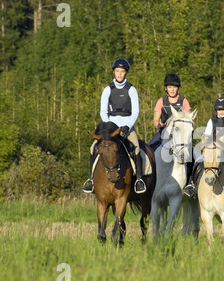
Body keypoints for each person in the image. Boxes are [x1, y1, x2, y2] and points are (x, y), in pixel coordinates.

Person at [82, 58, 147, 194]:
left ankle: (139, 180)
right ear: (114, 72)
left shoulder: (131, 90)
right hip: (110, 127)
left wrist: (127, 126)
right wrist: (109, 126)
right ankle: (91, 180)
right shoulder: (107, 90)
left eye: (122, 72)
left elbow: (135, 112)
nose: (119, 74)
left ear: (125, 73)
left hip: (126, 126)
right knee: (93, 148)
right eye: (117, 71)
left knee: (135, 147)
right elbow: (103, 111)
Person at [149, 73, 191, 151]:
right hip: (165, 132)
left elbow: (189, 119)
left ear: (178, 88)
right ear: (166, 88)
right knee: (150, 147)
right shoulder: (161, 101)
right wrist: (160, 127)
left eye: (174, 87)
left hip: (180, 133)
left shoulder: (183, 101)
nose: (172, 90)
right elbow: (155, 120)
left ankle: (197, 163)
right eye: (170, 87)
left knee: (192, 152)